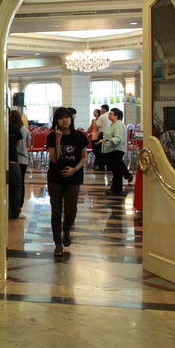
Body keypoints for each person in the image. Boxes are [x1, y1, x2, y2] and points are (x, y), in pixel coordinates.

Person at [46, 107, 88, 256]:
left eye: (67, 117)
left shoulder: (79, 136)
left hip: (73, 178)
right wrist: (58, 139)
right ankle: (58, 243)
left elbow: (84, 156)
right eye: (61, 118)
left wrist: (74, 169)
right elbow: (55, 158)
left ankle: (67, 231)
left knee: (71, 210)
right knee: (56, 212)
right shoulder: (52, 137)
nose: (64, 120)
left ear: (71, 118)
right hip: (55, 178)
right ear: (56, 120)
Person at [97, 107, 133, 195]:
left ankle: (116, 189)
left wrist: (107, 140)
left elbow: (118, 138)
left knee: (116, 170)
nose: (109, 115)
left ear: (117, 116)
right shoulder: (113, 124)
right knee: (115, 169)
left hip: (116, 149)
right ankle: (115, 187)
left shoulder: (118, 125)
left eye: (111, 114)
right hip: (111, 149)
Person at [11, 109, 30, 209]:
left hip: (14, 159)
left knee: (13, 184)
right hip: (23, 159)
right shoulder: (24, 129)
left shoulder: (10, 128)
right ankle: (20, 204)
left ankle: (14, 204)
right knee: (21, 182)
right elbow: (29, 144)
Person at [8, 110, 23, 219]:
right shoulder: (14, 128)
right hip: (12, 160)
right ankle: (15, 213)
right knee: (16, 188)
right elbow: (19, 143)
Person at [93, 103, 111, 171]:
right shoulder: (110, 116)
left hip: (103, 134)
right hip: (110, 135)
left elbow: (97, 126)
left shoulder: (102, 116)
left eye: (101, 109)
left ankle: (101, 166)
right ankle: (109, 166)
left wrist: (98, 127)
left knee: (100, 151)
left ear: (104, 109)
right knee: (109, 151)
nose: (100, 110)